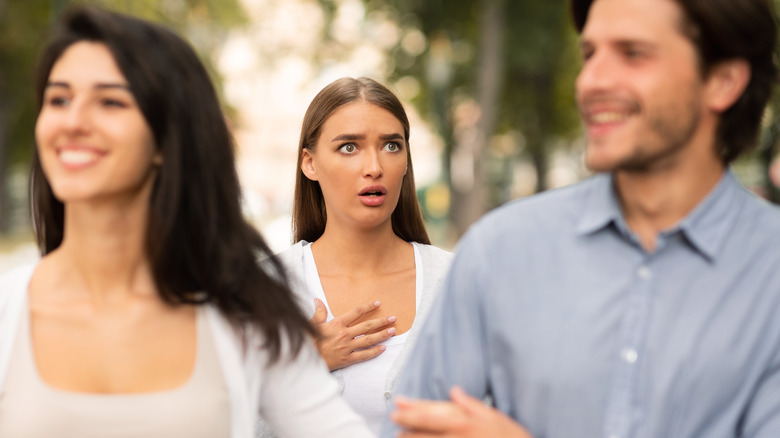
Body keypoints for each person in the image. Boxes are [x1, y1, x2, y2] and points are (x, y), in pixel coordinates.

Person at [384, 0, 780, 437]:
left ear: (723, 82)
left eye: (633, 53)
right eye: (590, 54)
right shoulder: (499, 252)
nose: (591, 81)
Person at [0, 6, 372, 438]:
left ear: (167, 138)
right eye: (59, 99)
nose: (73, 122)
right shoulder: (7, 307)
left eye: (110, 102)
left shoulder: (246, 312)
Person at [267, 77, 451, 435]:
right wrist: (300, 367)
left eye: (392, 146)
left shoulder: (456, 280)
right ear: (310, 163)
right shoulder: (264, 287)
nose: (374, 167)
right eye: (349, 147)